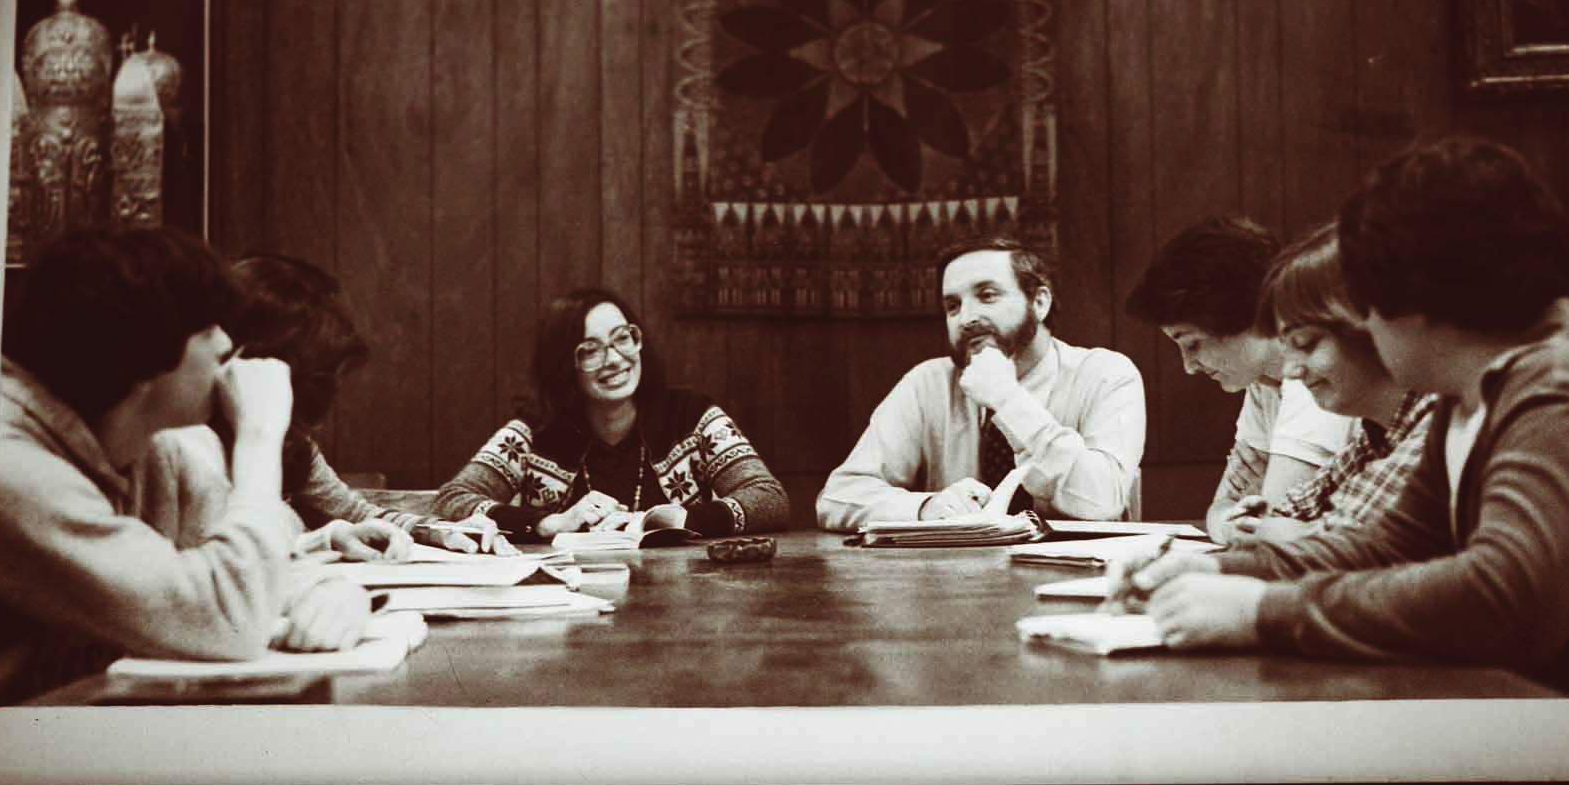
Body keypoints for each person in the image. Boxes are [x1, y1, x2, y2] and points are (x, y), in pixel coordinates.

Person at [1106, 138, 1569, 699]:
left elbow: (1510, 599)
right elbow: (1388, 547)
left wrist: (1265, 611)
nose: (1368, 332)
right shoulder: (1477, 392)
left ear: (1420, 301)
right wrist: (1222, 572)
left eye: (1369, 307)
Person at [0, 227, 370, 705]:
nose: (227, 345)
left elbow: (258, 565)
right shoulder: (5, 466)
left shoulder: (152, 445)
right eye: (208, 329)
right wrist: (258, 437)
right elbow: (229, 619)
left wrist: (335, 593)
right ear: (148, 354)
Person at [817, 237, 1145, 532]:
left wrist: (1009, 401)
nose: (966, 318)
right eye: (952, 306)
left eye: (987, 296)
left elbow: (1102, 501)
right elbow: (838, 497)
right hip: (961, 586)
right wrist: (925, 508)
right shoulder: (927, 383)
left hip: (1078, 584)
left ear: (1040, 303)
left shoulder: (1106, 374)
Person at [435, 289, 787, 541]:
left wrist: (682, 517)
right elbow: (453, 499)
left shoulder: (691, 417)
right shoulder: (533, 432)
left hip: (683, 604)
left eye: (623, 338)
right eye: (591, 350)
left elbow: (769, 497)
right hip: (569, 611)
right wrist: (548, 524)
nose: (616, 359)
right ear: (564, 365)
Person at [219, 254, 507, 556]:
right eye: (320, 378)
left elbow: (355, 513)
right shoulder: (188, 448)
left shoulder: (292, 443)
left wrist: (442, 531)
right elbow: (225, 574)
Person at [1124, 216, 1355, 543]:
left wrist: (1234, 525)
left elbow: (1271, 525)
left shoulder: (1311, 381)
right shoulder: (1264, 385)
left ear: (1246, 316)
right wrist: (1229, 524)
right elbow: (1222, 510)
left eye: (1193, 344)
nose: (1190, 367)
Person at [1227, 222, 1438, 544]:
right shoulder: (1375, 437)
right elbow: (1281, 517)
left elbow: (1355, 550)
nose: (1292, 371)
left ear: (1371, 326)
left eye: (1307, 344)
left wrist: (1302, 534)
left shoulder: (1436, 424)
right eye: (1288, 346)